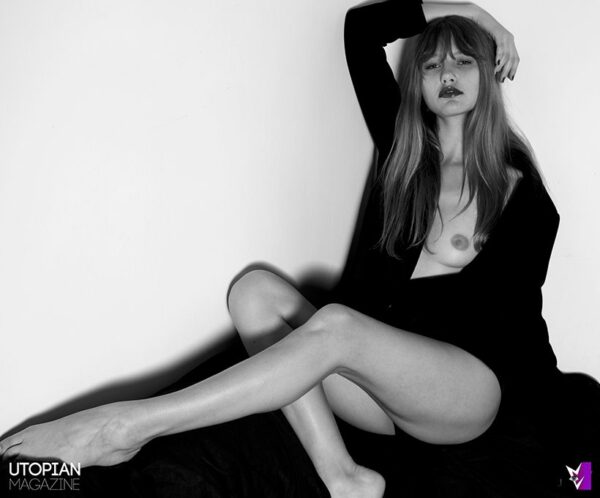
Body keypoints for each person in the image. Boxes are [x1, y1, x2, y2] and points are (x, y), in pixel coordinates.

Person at [0, 1, 565, 497]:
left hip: (461, 392)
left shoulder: (519, 194)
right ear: (416, 81)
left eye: (464, 61)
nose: (448, 74)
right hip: (378, 390)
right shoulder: (403, 158)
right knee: (254, 292)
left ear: (489, 73)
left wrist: (570, 457)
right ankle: (345, 479)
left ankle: (122, 428)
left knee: (337, 324)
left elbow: (519, 323)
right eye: (432, 64)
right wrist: (472, 12)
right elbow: (361, 31)